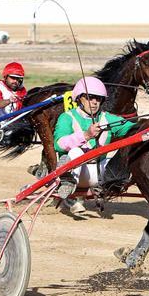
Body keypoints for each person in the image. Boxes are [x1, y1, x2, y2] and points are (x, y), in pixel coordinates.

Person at [53, 76, 135, 214]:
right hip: (77, 172)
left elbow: (133, 128)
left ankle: (108, 187)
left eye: (98, 98)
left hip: (99, 173)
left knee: (125, 153)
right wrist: (86, 135)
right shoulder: (67, 117)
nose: (95, 102)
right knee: (75, 152)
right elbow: (59, 145)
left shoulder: (106, 118)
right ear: (79, 98)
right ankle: (66, 182)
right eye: (90, 97)